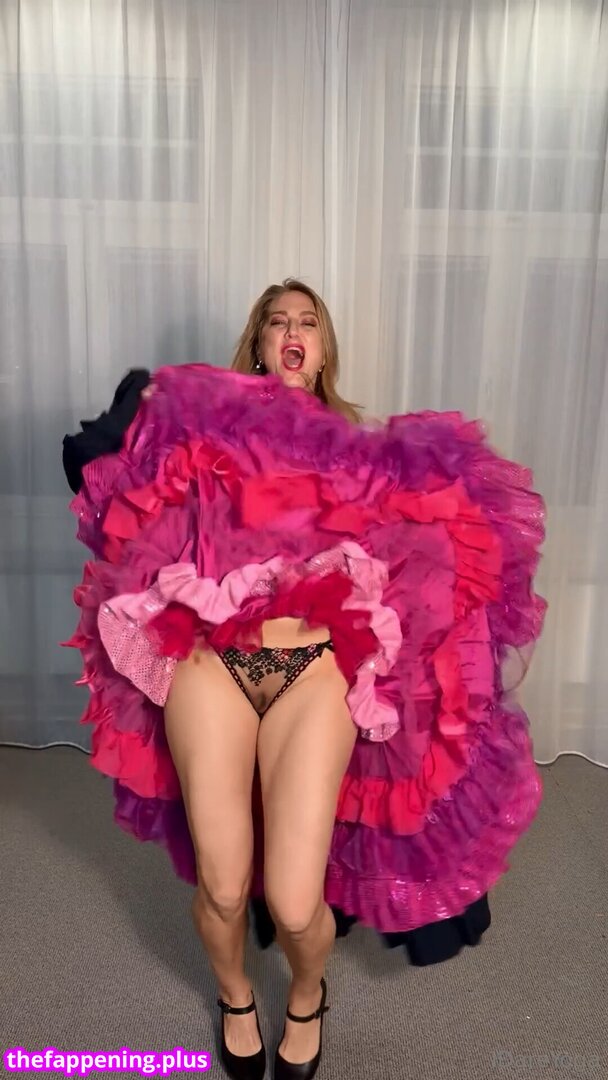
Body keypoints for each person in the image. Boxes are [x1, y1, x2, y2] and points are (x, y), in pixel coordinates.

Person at [63, 279, 546, 1080]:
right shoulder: (207, 428)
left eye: (307, 322)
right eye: (277, 321)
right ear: (259, 346)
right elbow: (113, 481)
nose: (292, 331)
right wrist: (142, 413)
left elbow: (429, 555)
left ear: (321, 350)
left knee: (294, 900)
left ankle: (307, 993)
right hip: (213, 663)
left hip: (313, 670)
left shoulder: (364, 453)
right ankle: (235, 997)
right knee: (223, 887)